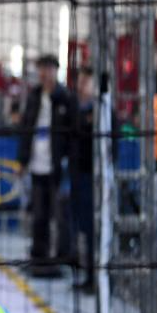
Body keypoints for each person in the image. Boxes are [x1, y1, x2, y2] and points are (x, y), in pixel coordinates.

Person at [17, 54, 75, 277]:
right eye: (41, 69)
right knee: (39, 214)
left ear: (55, 71)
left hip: (57, 167)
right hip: (37, 165)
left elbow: (71, 134)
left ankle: (61, 258)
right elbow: (26, 130)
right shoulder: (34, 96)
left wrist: (67, 160)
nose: (44, 74)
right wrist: (23, 160)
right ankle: (38, 257)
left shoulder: (65, 97)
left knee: (59, 216)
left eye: (48, 69)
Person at [69, 66, 95, 292]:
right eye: (81, 81)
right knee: (84, 230)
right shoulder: (76, 109)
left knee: (95, 231)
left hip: (95, 180)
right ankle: (88, 276)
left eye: (86, 81)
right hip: (79, 177)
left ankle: (96, 278)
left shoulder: (101, 113)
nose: (81, 86)